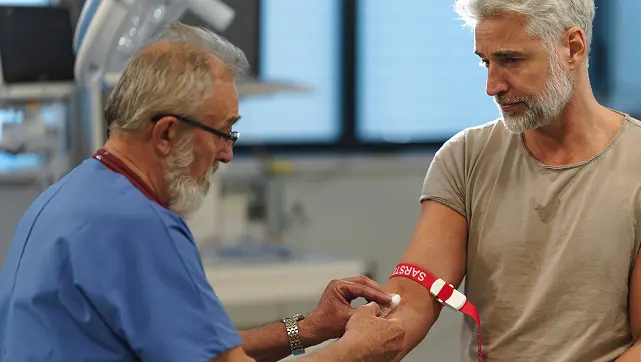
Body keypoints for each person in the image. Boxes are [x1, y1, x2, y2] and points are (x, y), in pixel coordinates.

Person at [0, 22, 404, 362]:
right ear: (167, 133)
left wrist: (312, 328)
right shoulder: (139, 227)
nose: (227, 154)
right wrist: (354, 352)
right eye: (222, 132)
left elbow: (203, 351)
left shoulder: (71, 197)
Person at [384, 0, 641, 361]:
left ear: (572, 47)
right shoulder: (465, 158)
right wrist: (342, 348)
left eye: (510, 60)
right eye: (486, 61)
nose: (491, 86)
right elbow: (413, 299)